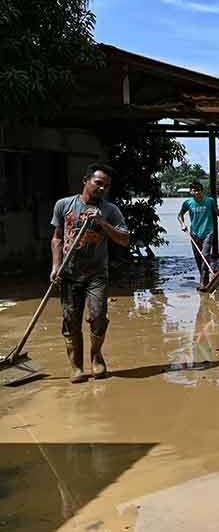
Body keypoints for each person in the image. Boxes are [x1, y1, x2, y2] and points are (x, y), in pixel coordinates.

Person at [50, 163, 130, 383]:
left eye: (107, 186)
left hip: (96, 274)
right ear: (86, 180)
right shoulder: (64, 205)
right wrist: (55, 266)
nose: (102, 189)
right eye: (98, 183)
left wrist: (102, 222)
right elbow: (57, 238)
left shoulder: (110, 210)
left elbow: (124, 239)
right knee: (70, 320)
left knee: (97, 317)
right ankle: (76, 366)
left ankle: (96, 355)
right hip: (68, 272)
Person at [177, 182, 219, 290]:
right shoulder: (187, 203)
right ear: (191, 191)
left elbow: (218, 213)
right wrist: (183, 224)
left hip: (208, 232)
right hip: (194, 233)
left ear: (202, 191)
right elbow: (180, 215)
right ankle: (205, 280)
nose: (196, 193)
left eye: (198, 190)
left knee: (205, 255)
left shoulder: (209, 201)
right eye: (194, 190)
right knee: (199, 258)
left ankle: (203, 283)